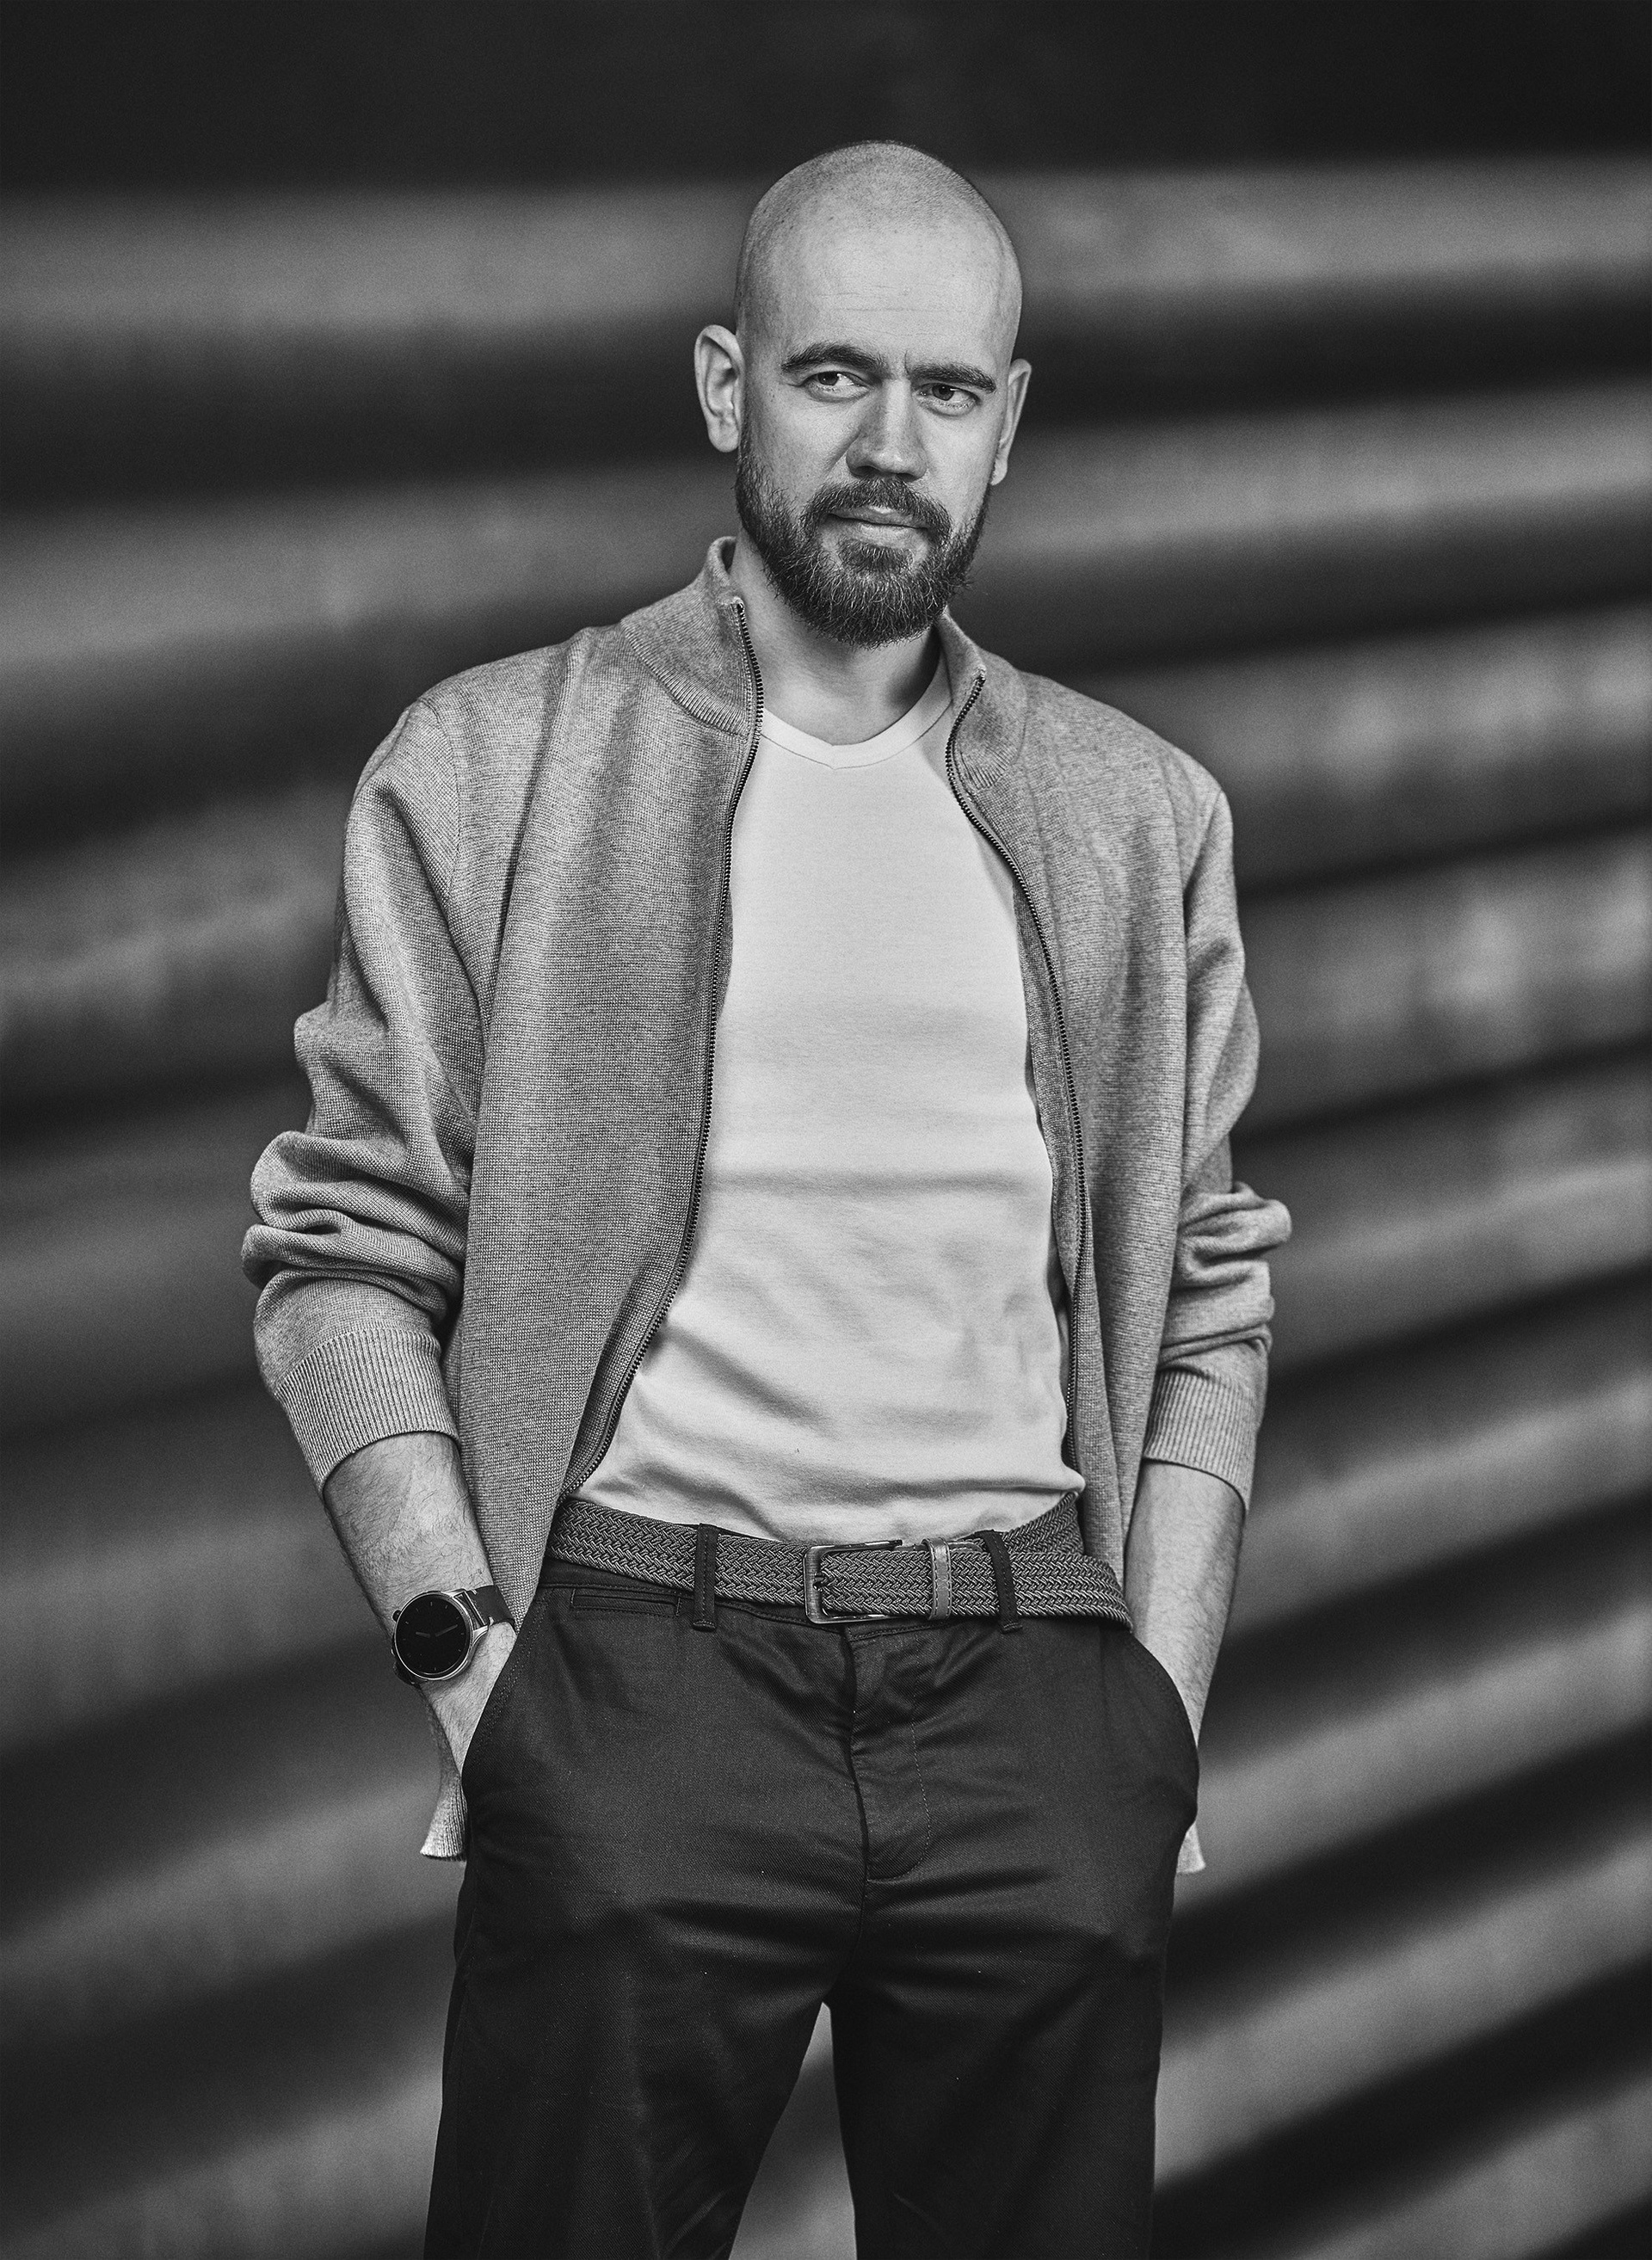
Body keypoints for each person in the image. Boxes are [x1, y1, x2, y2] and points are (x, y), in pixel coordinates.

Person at [243, 140, 1290, 2260]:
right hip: (637, 1677)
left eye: (949, 388)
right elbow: (339, 1251)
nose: (893, 442)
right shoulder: (491, 763)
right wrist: (472, 1661)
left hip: (1035, 1696)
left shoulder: (1138, 811)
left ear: (1011, 420)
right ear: (728, 385)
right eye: (835, 375)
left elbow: (1205, 1288)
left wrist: (1156, 1702)